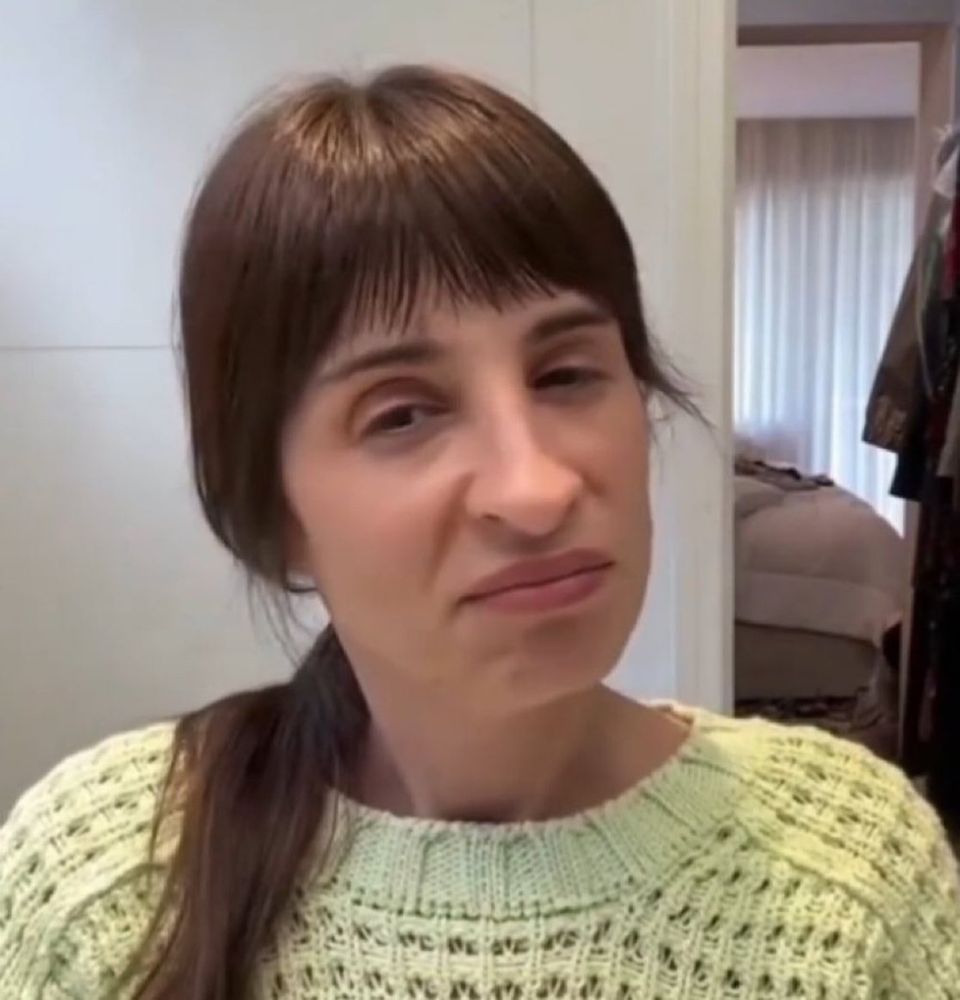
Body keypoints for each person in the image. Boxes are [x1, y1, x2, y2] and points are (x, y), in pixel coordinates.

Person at [0, 66, 957, 1000]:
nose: (535, 490)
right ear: (274, 514)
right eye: (403, 414)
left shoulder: (850, 869)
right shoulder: (105, 881)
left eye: (566, 375)